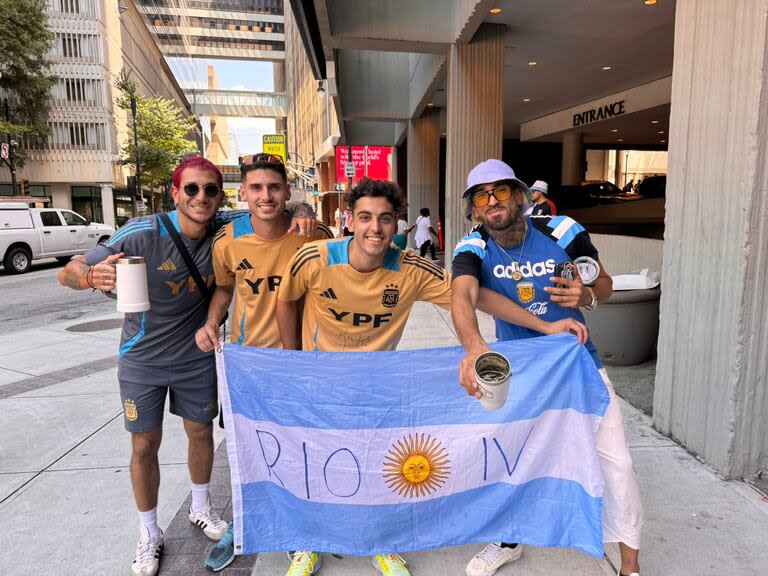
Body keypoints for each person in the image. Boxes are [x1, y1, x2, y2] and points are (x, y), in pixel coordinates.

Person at [450, 159, 644, 576]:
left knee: (617, 462)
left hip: (576, 361)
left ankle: (630, 565)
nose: (492, 202)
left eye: (501, 191)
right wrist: (472, 347)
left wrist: (587, 294)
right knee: (511, 457)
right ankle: (508, 539)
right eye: (481, 196)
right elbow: (464, 297)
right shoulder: (473, 246)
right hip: (520, 371)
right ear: (474, 210)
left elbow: (604, 284)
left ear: (519, 195)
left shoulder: (563, 229)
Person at [58, 157, 230, 576]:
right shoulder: (141, 232)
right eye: (191, 189)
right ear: (175, 193)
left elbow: (274, 211)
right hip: (142, 359)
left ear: (219, 196)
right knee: (142, 446)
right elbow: (70, 269)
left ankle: (202, 507)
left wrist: (301, 216)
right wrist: (89, 277)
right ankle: (149, 532)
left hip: (195, 356)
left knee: (200, 432)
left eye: (210, 190)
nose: (200, 197)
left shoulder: (227, 227)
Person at [191, 152, 331, 571]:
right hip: (248, 363)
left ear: (288, 191)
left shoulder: (313, 233)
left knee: (296, 444)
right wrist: (211, 322)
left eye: (274, 187)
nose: (266, 196)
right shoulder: (228, 240)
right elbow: (224, 288)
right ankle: (248, 520)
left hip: (301, 359)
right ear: (243, 193)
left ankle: (297, 528)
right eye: (256, 188)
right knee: (247, 448)